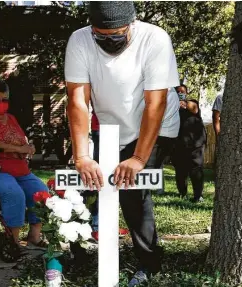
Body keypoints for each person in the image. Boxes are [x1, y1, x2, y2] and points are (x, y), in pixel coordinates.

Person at [64, 2, 180, 286]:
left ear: (132, 24)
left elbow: (156, 103)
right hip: (112, 126)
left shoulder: (155, 38)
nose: (109, 41)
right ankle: (77, 254)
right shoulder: (79, 40)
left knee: (132, 190)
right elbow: (78, 101)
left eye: (117, 34)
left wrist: (139, 158)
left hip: (157, 124)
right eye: (101, 35)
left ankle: (149, 261)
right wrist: (82, 157)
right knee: (83, 185)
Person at [0, 80, 49, 249]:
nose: (1, 104)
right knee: (14, 194)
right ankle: (14, 241)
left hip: (21, 169)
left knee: (41, 191)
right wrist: (18, 147)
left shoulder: (12, 118)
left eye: (5, 100)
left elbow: (22, 140)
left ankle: (34, 236)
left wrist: (29, 147)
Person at [172, 99, 207, 202]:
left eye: (182, 92)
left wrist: (185, 102)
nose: (180, 94)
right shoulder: (174, 109)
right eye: (178, 92)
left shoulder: (192, 105)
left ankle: (198, 195)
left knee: (196, 170)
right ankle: (182, 193)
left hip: (196, 145)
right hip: (179, 144)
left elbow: (194, 108)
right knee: (180, 172)